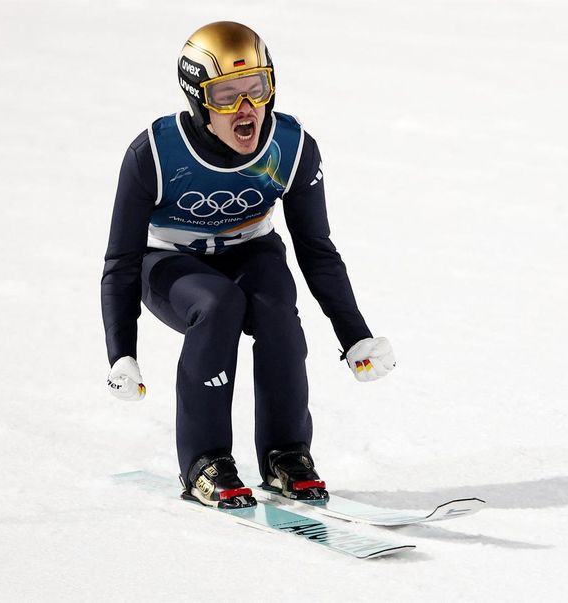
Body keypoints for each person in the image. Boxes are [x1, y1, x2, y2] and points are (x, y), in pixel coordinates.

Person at [101, 21, 396, 509]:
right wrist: (120, 351)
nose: (246, 109)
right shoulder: (153, 153)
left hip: (252, 251)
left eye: (256, 89)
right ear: (198, 101)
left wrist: (354, 335)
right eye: (225, 95)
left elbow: (316, 249)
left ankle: (286, 454)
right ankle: (205, 461)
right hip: (168, 261)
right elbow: (121, 260)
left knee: (276, 303)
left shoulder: (291, 147)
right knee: (218, 303)